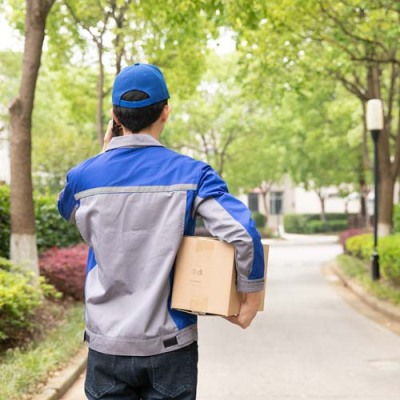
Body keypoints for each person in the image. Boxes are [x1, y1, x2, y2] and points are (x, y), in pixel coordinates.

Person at [58, 62, 265, 400]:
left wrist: (103, 156)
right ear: (165, 112)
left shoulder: (83, 177)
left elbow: (66, 207)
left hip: (106, 345)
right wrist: (250, 294)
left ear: (115, 116)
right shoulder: (193, 174)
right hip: (170, 345)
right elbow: (242, 232)